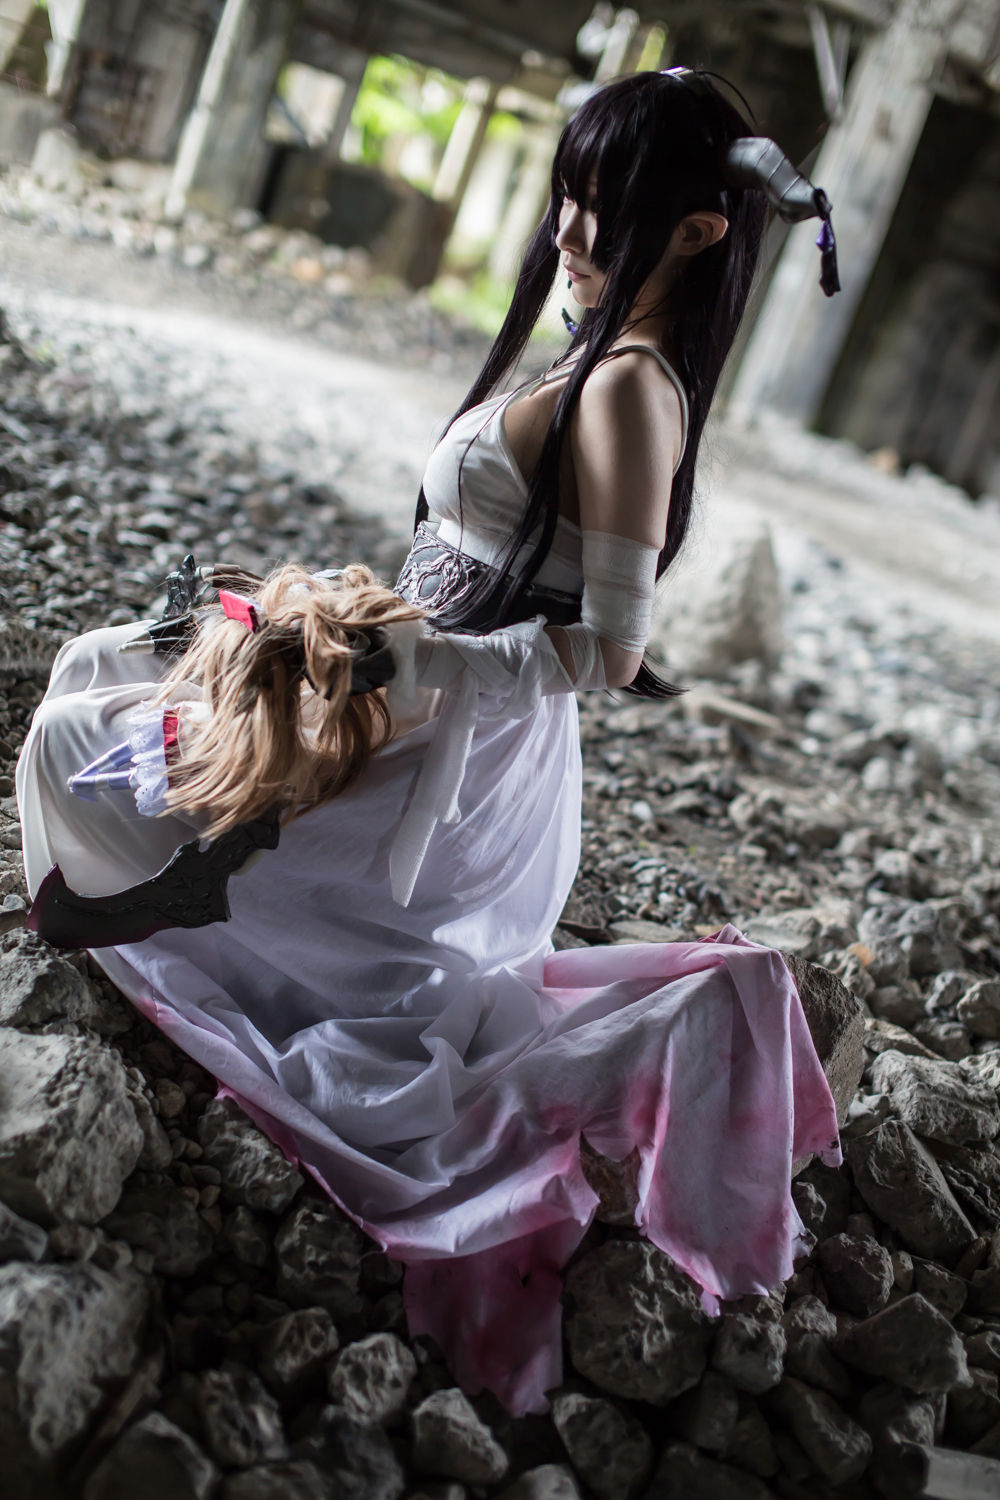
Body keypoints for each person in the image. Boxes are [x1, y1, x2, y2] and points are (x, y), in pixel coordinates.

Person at [16, 69, 843, 1416]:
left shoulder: (631, 390)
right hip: (405, 703)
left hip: (452, 762)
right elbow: (472, 558)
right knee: (100, 670)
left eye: (604, 208)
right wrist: (332, 621)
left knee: (75, 740)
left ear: (699, 231)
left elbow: (608, 653)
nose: (567, 231)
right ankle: (219, 883)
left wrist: (416, 659)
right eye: (569, 196)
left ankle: (239, 920)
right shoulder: (593, 354)